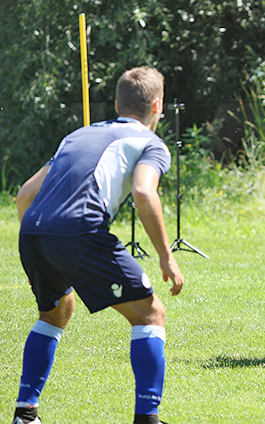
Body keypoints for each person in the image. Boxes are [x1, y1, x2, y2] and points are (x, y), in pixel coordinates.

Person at [13, 67, 184, 424]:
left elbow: (25, 194)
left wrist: (40, 248)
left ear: (118, 104)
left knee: (55, 311)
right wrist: (167, 257)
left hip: (33, 230)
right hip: (79, 230)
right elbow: (143, 191)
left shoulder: (77, 135)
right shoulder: (151, 144)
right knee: (150, 313)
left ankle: (25, 413)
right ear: (157, 105)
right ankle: (148, 418)